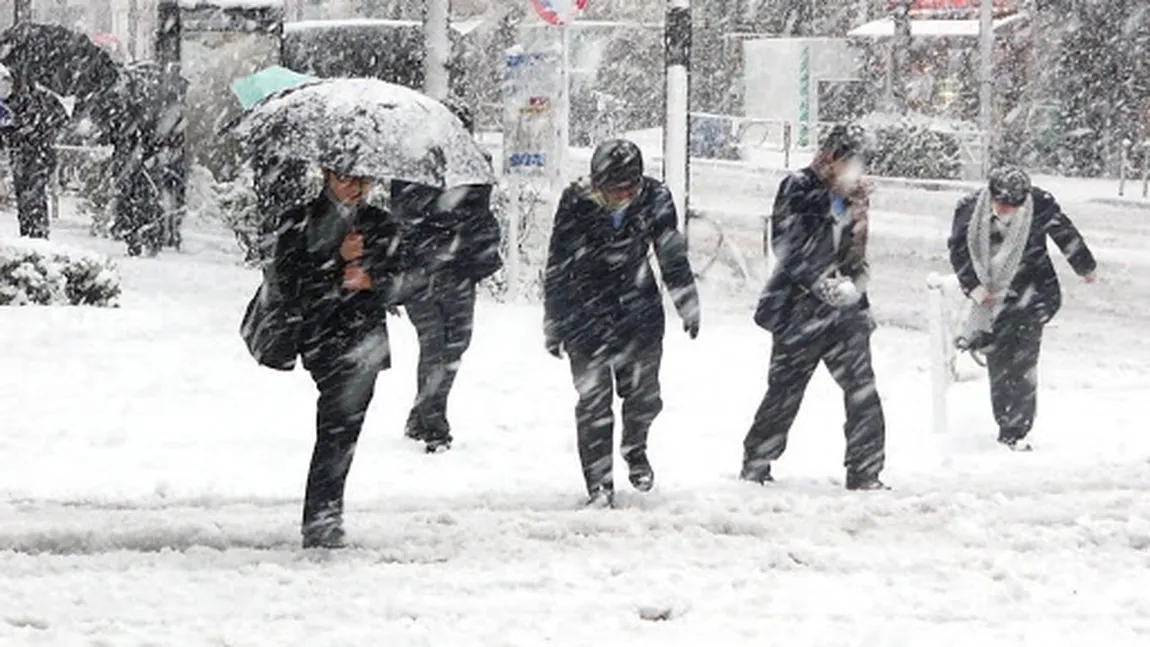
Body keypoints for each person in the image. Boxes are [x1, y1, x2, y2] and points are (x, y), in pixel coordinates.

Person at [267, 163, 428, 548]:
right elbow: (289, 283)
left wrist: (373, 279)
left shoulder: (380, 224)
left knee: (342, 430)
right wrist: (335, 261)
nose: (357, 188)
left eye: (365, 180)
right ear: (326, 175)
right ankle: (321, 518)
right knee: (337, 426)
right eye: (347, 179)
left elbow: (410, 279)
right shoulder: (300, 221)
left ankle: (325, 514)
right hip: (322, 337)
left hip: (364, 341)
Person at [543, 138, 701, 507]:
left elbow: (671, 253)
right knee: (593, 401)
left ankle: (635, 445)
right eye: (610, 188)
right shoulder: (576, 201)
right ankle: (599, 484)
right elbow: (558, 263)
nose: (618, 195)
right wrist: (553, 320)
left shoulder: (655, 199)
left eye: (626, 188)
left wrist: (687, 303)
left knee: (644, 396)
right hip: (586, 312)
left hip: (638, 310)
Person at [741, 124, 888, 491]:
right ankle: (757, 463)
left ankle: (865, 471)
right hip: (798, 309)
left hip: (846, 311)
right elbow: (787, 244)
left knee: (862, 390)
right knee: (785, 391)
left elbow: (855, 253)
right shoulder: (799, 187)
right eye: (851, 162)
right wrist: (819, 282)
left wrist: (854, 286)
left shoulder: (856, 197)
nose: (856, 172)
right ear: (832, 157)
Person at [948, 165, 1097, 451]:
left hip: (1033, 292)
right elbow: (958, 249)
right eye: (1002, 203)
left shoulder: (1038, 203)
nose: (1006, 210)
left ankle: (1016, 429)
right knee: (999, 362)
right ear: (991, 195)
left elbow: (1064, 233)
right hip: (991, 297)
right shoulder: (969, 209)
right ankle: (1005, 421)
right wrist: (975, 288)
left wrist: (1085, 267)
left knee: (1024, 362)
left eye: (1013, 205)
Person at [390, 100, 503, 454]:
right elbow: (405, 217)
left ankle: (422, 411)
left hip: (459, 270)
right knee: (434, 342)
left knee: (455, 345)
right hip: (420, 270)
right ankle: (435, 424)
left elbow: (480, 214)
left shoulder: (477, 165)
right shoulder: (410, 164)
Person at [0, 70, 69, 239]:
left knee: (34, 196)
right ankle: (29, 233)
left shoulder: (36, 99)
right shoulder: (10, 103)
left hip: (36, 153)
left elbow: (60, 119)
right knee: (24, 197)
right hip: (23, 154)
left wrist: (32, 131)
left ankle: (37, 234)